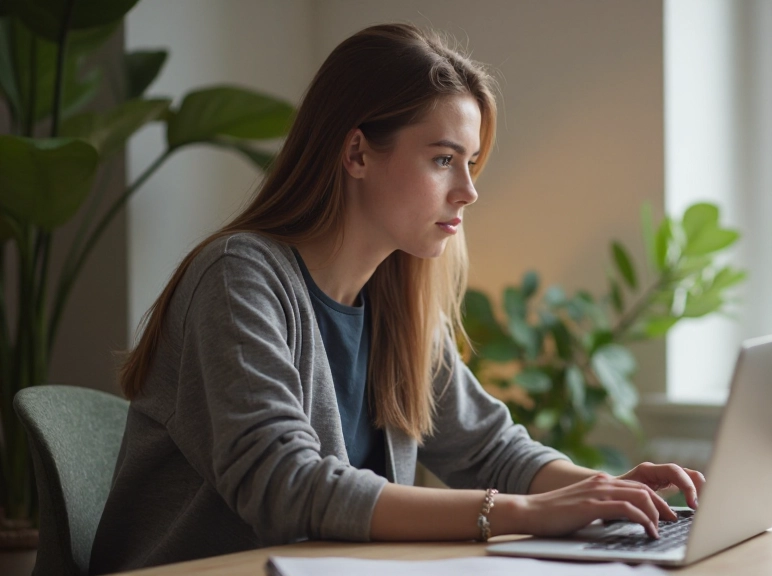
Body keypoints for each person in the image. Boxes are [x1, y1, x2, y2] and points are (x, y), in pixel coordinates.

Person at [89, 23, 705, 574]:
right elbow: (285, 486)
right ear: (356, 153)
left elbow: (490, 448)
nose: (468, 191)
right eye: (443, 160)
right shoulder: (239, 277)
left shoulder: (397, 297)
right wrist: (527, 512)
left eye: (471, 165)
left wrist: (605, 491)